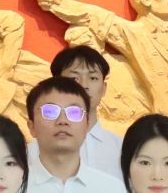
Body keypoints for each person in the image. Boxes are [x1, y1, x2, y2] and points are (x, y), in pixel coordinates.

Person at [50, 44, 123, 176]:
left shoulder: (122, 149)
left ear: (104, 88)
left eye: (93, 78)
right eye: (74, 78)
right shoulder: (37, 150)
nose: (84, 85)